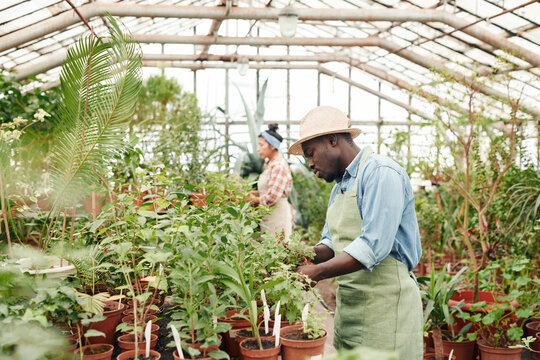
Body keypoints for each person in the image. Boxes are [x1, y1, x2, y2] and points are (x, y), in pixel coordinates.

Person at [290, 106, 423, 359]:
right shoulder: (340, 187)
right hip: (351, 308)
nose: (310, 164)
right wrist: (300, 253)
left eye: (311, 154)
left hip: (385, 309)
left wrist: (316, 272)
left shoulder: (380, 173)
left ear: (332, 140)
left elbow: (373, 245)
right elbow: (331, 244)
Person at [249, 124, 294, 242]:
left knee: (277, 250)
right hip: (269, 215)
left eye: (261, 145)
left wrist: (253, 200)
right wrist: (256, 193)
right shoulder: (270, 165)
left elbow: (273, 196)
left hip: (277, 216)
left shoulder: (278, 166)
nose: (258, 149)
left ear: (273, 146)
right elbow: (269, 190)